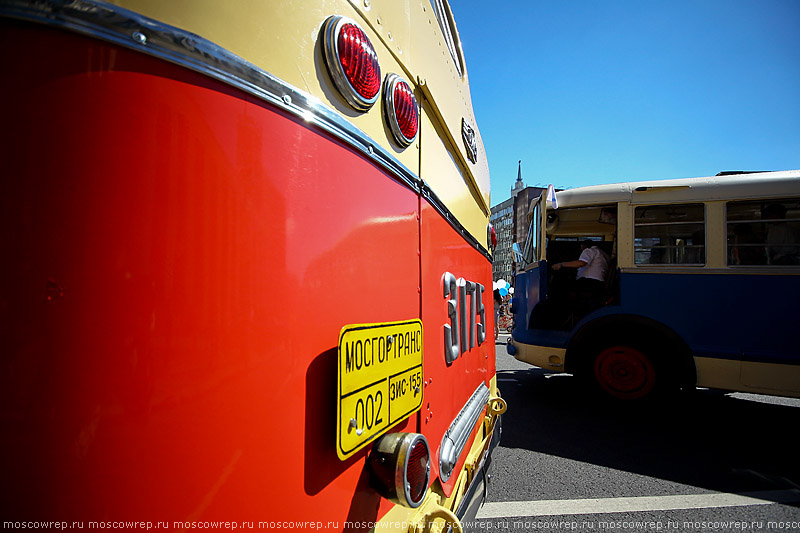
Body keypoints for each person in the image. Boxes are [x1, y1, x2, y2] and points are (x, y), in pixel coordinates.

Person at [552, 240, 610, 308]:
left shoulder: (589, 250)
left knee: (560, 288)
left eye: (582, 249)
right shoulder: (604, 254)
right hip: (599, 285)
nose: (582, 250)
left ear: (584, 247)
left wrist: (561, 264)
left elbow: (581, 263)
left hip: (589, 283)